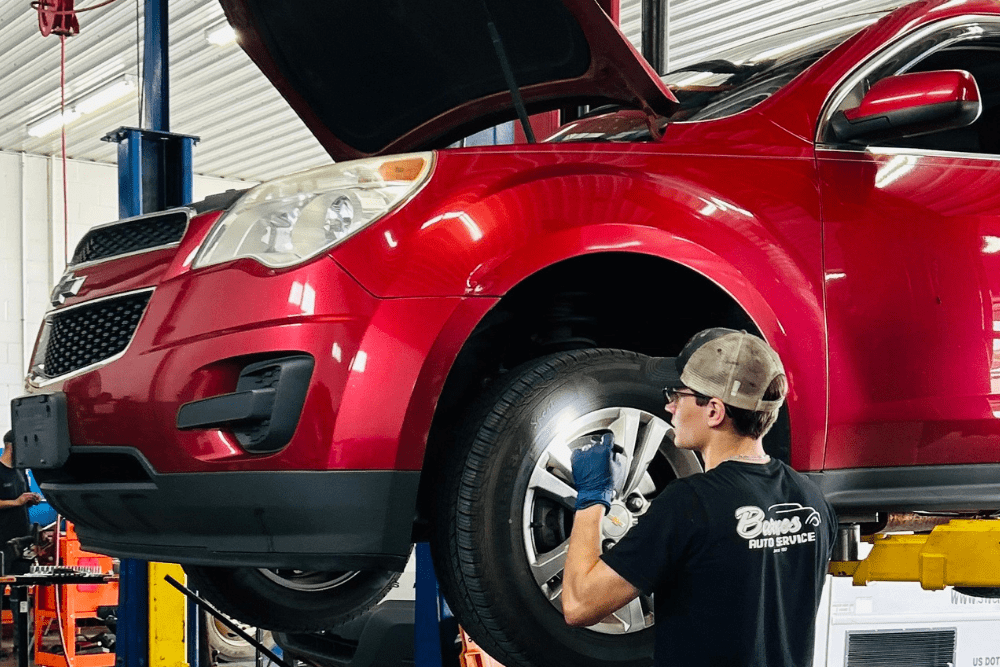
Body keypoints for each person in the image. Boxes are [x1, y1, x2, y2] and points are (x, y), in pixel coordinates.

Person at [563, 328, 837, 667]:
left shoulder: (691, 505)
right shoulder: (813, 501)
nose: (669, 406)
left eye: (678, 395)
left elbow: (579, 604)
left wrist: (592, 498)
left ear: (714, 411)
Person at [0, 430, 41, 575]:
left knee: (21, 585)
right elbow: (16, 501)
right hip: (3, 542)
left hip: (22, 540)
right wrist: (16, 502)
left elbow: (23, 499)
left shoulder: (20, 471)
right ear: (12, 446)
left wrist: (31, 499)